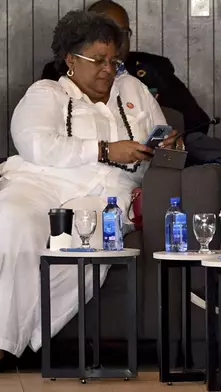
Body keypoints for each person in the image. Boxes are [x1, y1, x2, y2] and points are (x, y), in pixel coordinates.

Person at [0, 11, 180, 363]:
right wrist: (103, 149)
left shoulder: (133, 89)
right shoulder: (47, 93)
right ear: (70, 59)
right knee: (12, 217)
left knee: (93, 234)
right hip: (41, 182)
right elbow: (35, 144)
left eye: (114, 60)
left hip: (106, 192)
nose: (108, 69)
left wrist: (168, 146)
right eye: (97, 60)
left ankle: (12, 339)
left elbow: (159, 139)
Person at [41, 0, 212, 138]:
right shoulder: (59, 72)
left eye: (123, 32)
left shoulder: (153, 69)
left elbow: (197, 121)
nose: (118, 41)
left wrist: (171, 142)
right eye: (106, 33)